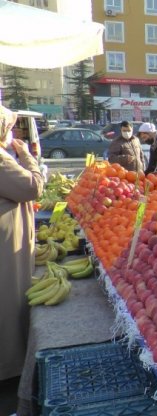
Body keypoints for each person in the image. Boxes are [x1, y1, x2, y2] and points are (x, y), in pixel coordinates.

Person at [0, 105, 44, 381]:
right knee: (9, 303)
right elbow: (33, 187)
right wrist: (28, 156)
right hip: (5, 249)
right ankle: (12, 371)